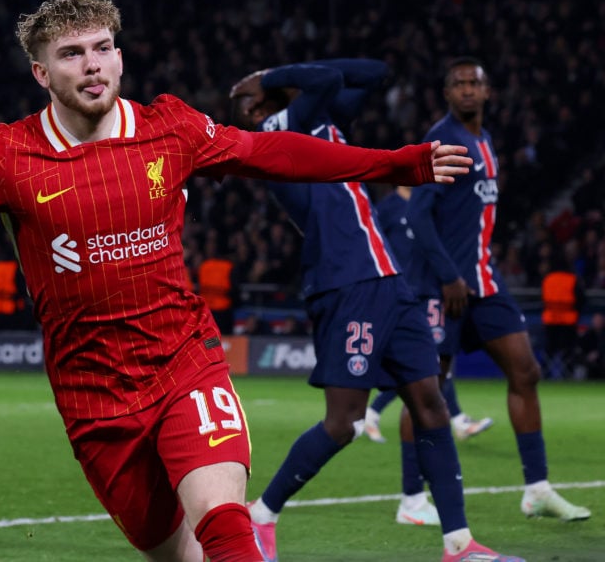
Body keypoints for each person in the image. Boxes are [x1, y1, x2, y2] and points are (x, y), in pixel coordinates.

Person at [0, 0, 472, 562]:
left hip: (185, 359)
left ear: (119, 56)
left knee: (223, 522)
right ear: (42, 72)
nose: (92, 64)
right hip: (93, 395)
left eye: (103, 48)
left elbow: (274, 152)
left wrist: (397, 162)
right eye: (71, 54)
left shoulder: (170, 129)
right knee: (173, 547)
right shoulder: (7, 157)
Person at [229, 60, 521, 562]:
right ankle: (260, 516)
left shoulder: (323, 122)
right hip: (346, 284)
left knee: (429, 402)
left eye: (253, 95)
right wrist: (271, 79)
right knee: (344, 422)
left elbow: (374, 72)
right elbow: (324, 81)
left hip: (388, 279)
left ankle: (459, 545)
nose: (252, 104)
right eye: (247, 100)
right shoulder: (274, 133)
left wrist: (273, 75)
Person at [406, 57, 590, 522]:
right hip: (444, 286)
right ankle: (411, 500)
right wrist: (448, 276)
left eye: (476, 83)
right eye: (459, 84)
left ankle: (537, 488)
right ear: (447, 93)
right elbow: (417, 215)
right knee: (426, 390)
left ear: (488, 93)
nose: (468, 90)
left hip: (485, 281)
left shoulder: (484, 140)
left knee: (525, 372)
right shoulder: (442, 139)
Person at [363, 185, 494, 445]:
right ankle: (376, 412)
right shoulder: (388, 208)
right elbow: (374, 245)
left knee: (430, 362)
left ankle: (455, 420)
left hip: (428, 290)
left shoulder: (431, 207)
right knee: (423, 364)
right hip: (399, 293)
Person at [539, 251, 584, 379]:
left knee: (549, 350)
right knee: (568, 351)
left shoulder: (548, 279)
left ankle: (545, 374)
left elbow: (543, 299)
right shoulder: (572, 279)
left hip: (550, 320)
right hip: (568, 321)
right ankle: (568, 374)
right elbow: (581, 299)